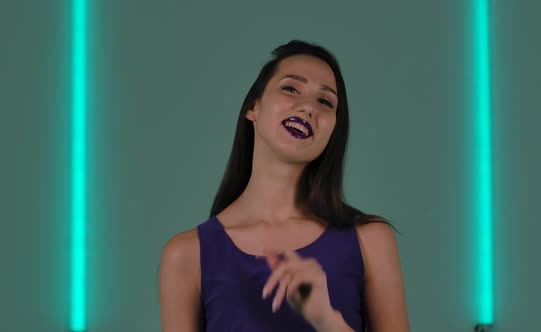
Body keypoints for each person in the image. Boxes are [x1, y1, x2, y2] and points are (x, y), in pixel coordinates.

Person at [159, 40, 410, 332]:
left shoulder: (370, 240)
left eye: (325, 102)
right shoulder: (185, 255)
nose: (307, 107)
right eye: (291, 88)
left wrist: (327, 320)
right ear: (253, 106)